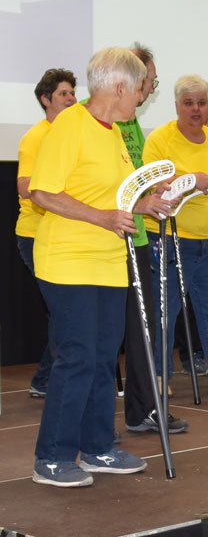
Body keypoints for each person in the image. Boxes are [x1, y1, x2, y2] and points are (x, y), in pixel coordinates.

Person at [29, 47, 174, 487]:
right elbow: (43, 193)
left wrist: (146, 204)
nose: (143, 98)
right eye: (140, 90)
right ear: (118, 87)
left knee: (103, 358)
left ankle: (97, 448)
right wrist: (104, 218)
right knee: (76, 358)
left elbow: (117, 196)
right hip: (70, 261)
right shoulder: (69, 126)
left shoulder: (116, 131)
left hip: (111, 262)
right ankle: (51, 458)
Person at [142, 74, 208, 393]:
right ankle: (158, 374)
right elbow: (153, 183)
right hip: (170, 239)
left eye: (202, 103)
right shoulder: (161, 139)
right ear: (177, 105)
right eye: (189, 103)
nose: (196, 109)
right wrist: (190, 179)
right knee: (167, 308)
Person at [114, 44, 191, 434]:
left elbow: (135, 176)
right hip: (111, 238)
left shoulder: (131, 123)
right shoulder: (104, 119)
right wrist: (141, 202)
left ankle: (144, 408)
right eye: (150, 81)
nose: (149, 90)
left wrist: (158, 191)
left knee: (141, 327)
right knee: (114, 333)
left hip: (138, 237)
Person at [17, 68, 77, 399]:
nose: (71, 99)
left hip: (65, 233)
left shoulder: (70, 133)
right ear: (45, 100)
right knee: (64, 309)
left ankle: (44, 379)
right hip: (35, 234)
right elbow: (25, 185)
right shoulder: (37, 137)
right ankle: (46, 380)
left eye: (72, 93)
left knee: (63, 310)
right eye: (63, 94)